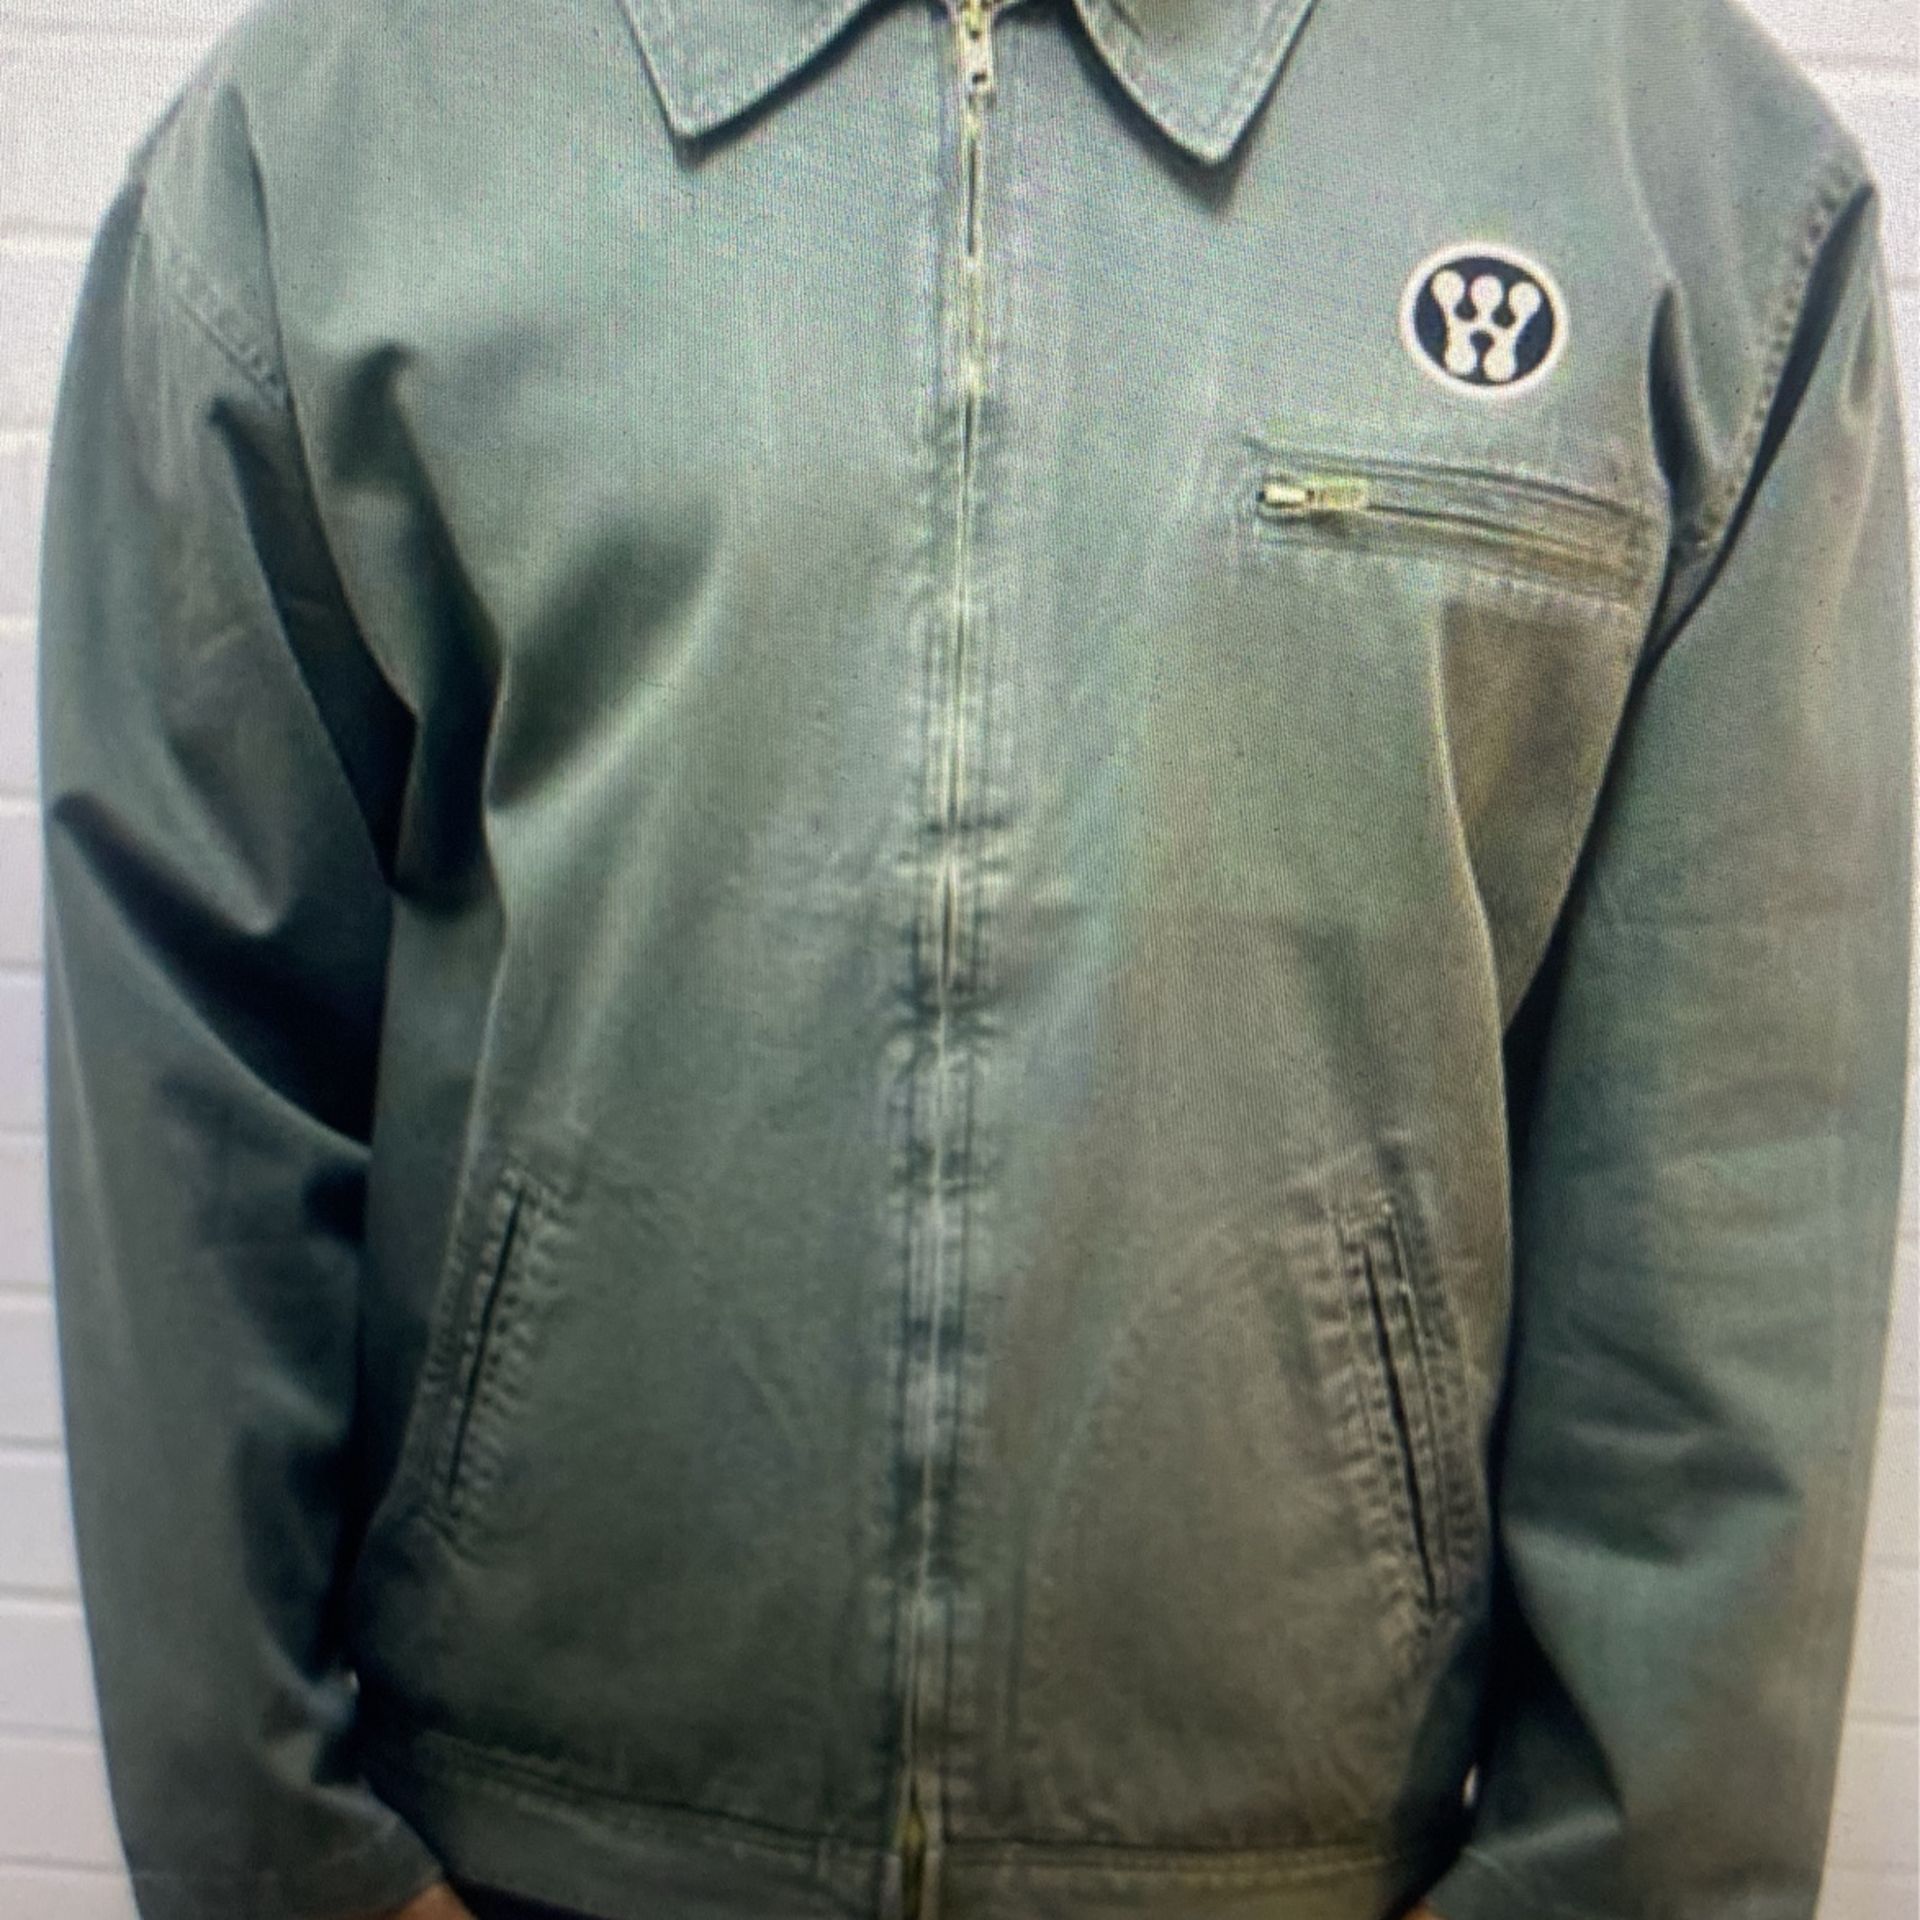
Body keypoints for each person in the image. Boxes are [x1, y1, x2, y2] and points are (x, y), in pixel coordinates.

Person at [33, 0, 1912, 1915]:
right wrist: (286, 1867)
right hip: (528, 1851)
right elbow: (196, 1053)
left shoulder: (1673, 172)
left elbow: (1735, 1163)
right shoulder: (345, 131)